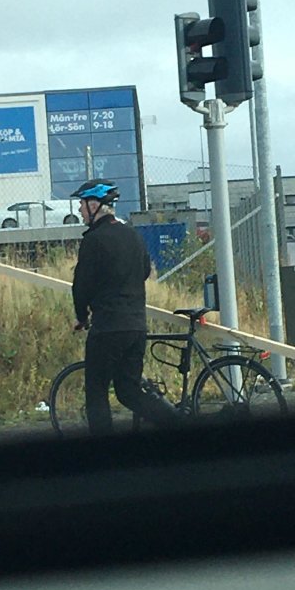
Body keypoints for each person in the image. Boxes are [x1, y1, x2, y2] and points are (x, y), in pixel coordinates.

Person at [70, 180, 180, 435]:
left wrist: (81, 316)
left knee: (96, 392)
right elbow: (144, 270)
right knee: (129, 391)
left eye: (82, 204)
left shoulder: (93, 240)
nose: (79, 210)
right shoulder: (132, 234)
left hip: (108, 328)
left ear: (95, 205)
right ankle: (178, 426)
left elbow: (81, 285)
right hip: (136, 327)